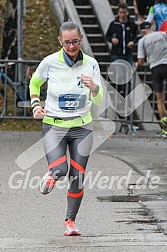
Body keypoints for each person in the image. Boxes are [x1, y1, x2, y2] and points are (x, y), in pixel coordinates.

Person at [29, 21, 103, 236]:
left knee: (78, 176)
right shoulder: (50, 62)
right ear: (60, 41)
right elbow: (34, 83)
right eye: (67, 42)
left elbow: (99, 100)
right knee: (61, 169)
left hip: (82, 128)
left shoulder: (91, 64)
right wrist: (36, 105)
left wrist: (94, 88)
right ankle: (51, 174)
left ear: (81, 39)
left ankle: (70, 222)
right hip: (55, 126)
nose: (72, 46)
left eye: (76, 42)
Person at [136, 21, 167, 136]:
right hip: (166, 63)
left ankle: (165, 127)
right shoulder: (162, 34)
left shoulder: (142, 41)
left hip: (155, 68)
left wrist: (137, 64)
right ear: (151, 28)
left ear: (141, 31)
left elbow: (141, 60)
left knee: (159, 98)